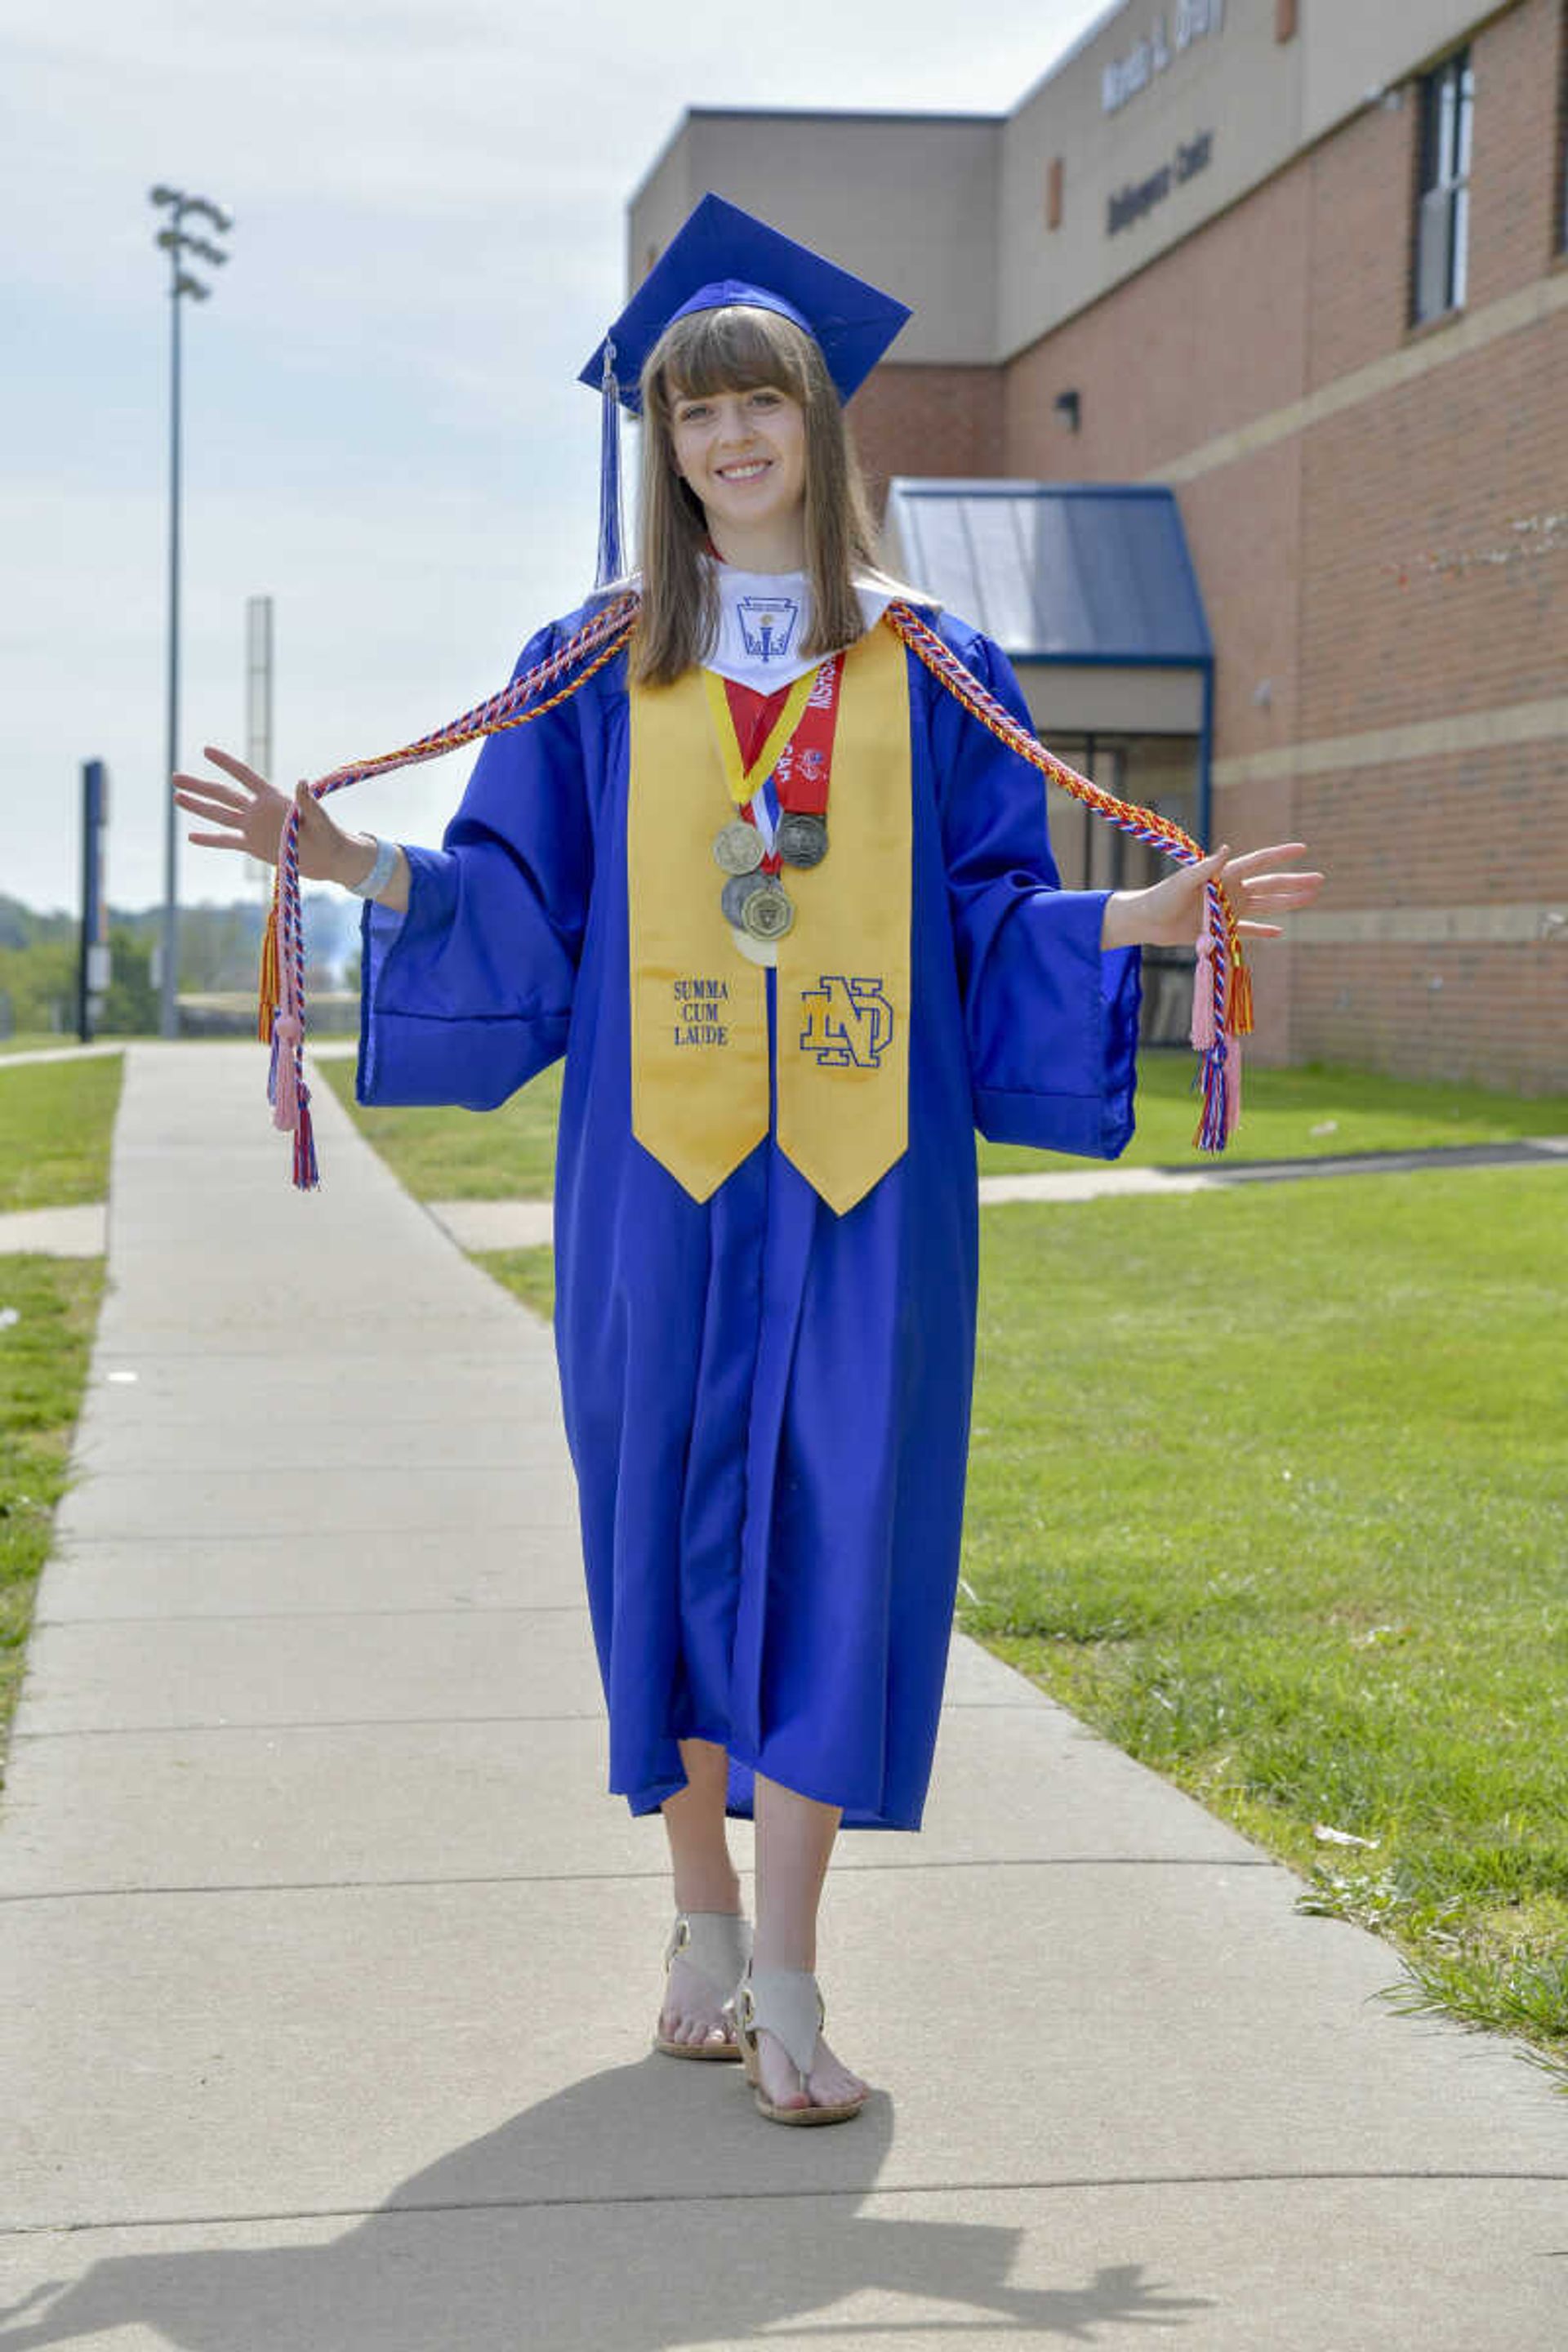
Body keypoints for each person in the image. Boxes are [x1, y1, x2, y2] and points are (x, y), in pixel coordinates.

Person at [174, 194, 1323, 2127]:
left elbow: (987, 919)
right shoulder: (593, 664)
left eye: (759, 400)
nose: (727, 438)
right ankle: (699, 1921)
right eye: (693, 411)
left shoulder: (933, 666)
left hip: (868, 1191)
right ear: (661, 442)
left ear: (821, 421)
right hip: (662, 1178)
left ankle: (789, 1968)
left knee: (844, 1537)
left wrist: (1134, 927)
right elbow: (524, 916)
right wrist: (363, 867)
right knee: (664, 1541)